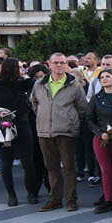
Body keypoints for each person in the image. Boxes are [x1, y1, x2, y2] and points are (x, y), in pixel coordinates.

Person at [32, 52, 89, 212]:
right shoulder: (39, 84)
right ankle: (55, 199)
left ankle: (71, 199)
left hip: (67, 131)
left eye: (62, 63)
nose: (59, 65)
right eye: (56, 62)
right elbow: (35, 104)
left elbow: (82, 108)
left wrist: (70, 120)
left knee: (69, 167)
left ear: (66, 65)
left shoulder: (75, 85)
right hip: (45, 131)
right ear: (49, 65)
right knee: (51, 167)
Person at [0, 57, 41, 206]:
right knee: (6, 161)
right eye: (19, 67)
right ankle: (11, 195)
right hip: (4, 124)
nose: (22, 69)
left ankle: (31, 193)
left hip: (22, 123)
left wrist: (24, 75)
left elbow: (37, 85)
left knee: (27, 161)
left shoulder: (23, 83)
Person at [87, 67, 112, 214]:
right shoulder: (96, 99)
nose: (104, 79)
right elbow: (89, 119)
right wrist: (99, 132)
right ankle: (108, 199)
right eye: (102, 77)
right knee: (106, 170)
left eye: (107, 76)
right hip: (102, 138)